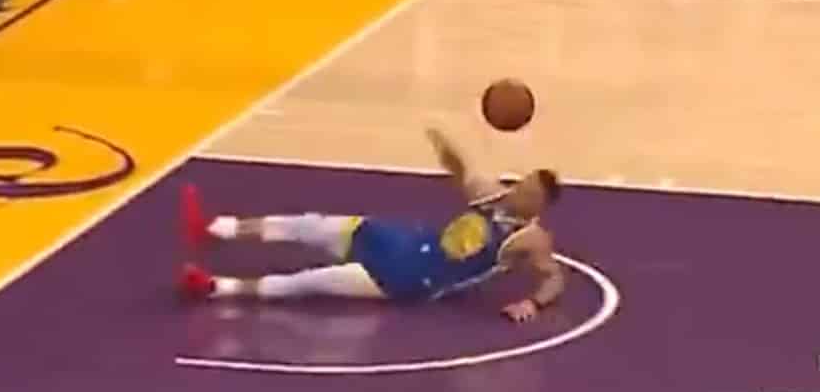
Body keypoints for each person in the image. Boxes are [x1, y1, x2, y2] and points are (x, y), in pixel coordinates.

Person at [179, 127, 563, 321]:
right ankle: (217, 228)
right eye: (523, 182)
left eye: (527, 190)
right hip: (400, 240)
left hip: (411, 278)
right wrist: (446, 146)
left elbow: (554, 277)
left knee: (311, 281)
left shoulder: (531, 238)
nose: (518, 189)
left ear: (538, 203)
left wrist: (531, 302)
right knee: (308, 226)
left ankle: (216, 287)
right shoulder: (493, 195)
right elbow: (463, 173)